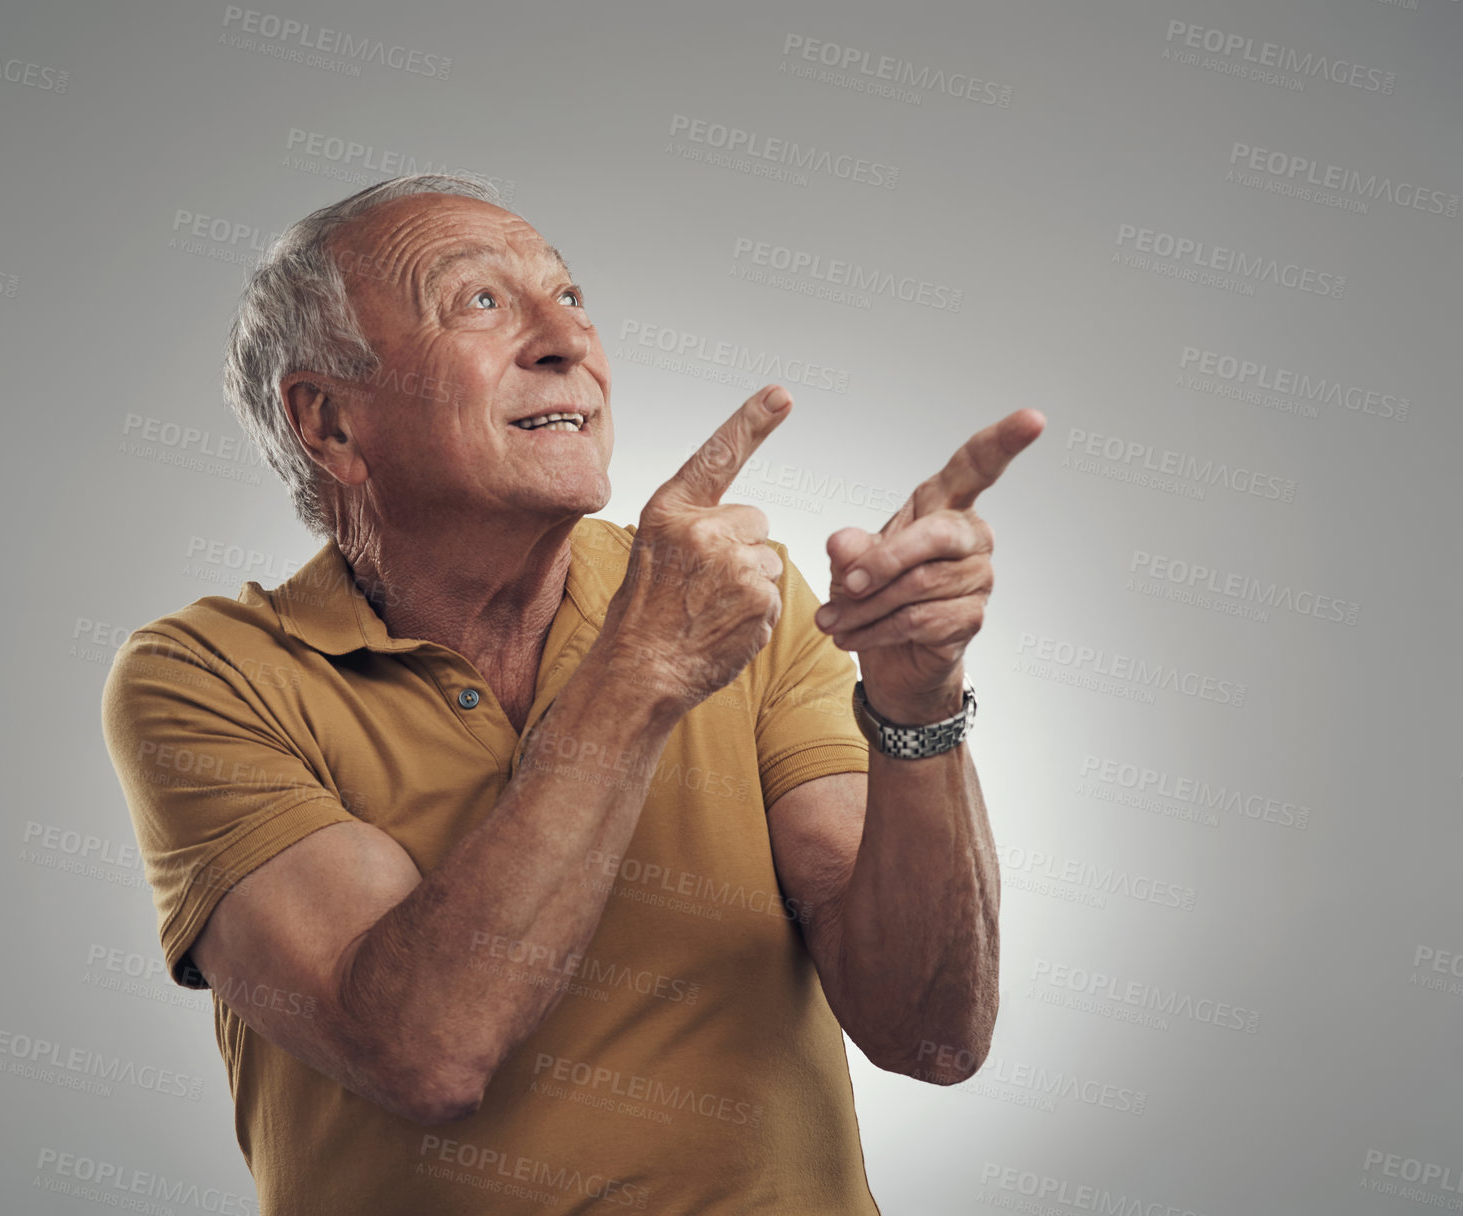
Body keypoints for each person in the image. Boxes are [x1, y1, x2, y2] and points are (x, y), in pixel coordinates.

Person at [101, 172, 1045, 1214]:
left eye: (572, 297)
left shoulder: (745, 601)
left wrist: (917, 703)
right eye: (480, 302)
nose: (566, 340)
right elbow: (424, 1052)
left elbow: (931, 1033)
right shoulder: (207, 675)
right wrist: (641, 671)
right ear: (328, 422)